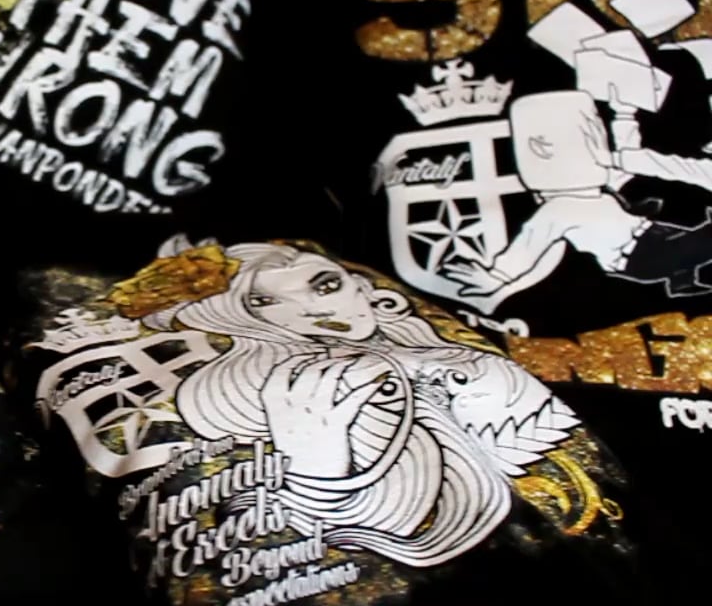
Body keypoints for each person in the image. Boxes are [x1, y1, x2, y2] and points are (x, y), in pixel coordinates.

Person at [136, 236, 580, 567]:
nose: (312, 309)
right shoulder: (289, 394)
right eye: (265, 302)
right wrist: (317, 471)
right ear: (246, 321)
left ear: (362, 287)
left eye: (326, 285)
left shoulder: (467, 363)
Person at [444, 90, 712, 299]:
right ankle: (681, 272)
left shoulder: (599, 186)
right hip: (640, 256)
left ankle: (681, 282)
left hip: (651, 236)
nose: (598, 145)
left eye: (597, 133)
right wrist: (497, 277)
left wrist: (624, 115)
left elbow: (626, 157)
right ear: (543, 148)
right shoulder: (558, 209)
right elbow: (529, 243)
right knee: (698, 243)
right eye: (590, 135)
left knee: (683, 243)